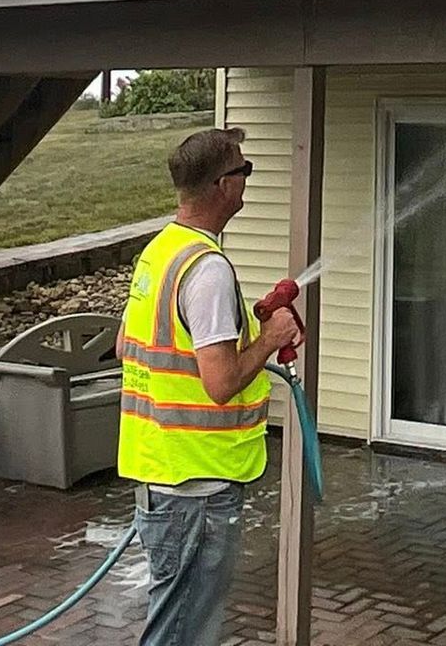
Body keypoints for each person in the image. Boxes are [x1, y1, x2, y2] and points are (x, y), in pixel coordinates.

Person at [118, 126, 302, 646]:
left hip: (162, 478)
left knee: (176, 623)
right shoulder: (208, 270)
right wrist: (270, 339)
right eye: (244, 171)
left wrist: (245, 321)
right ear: (224, 185)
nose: (247, 180)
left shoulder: (160, 253)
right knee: (184, 633)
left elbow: (126, 345)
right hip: (196, 488)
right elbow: (220, 383)